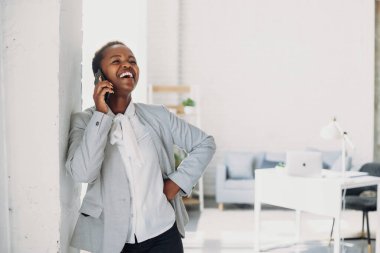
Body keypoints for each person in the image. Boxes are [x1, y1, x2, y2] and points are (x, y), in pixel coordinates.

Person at [65, 41, 216, 253]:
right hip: (114, 242)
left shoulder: (158, 116)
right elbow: (83, 173)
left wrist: (176, 182)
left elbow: (205, 143)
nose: (127, 65)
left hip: (164, 235)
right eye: (116, 61)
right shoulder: (85, 121)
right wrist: (101, 114)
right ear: (100, 76)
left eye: (132, 61)